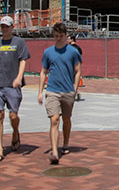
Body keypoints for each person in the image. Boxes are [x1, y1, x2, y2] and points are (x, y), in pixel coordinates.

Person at [0, 15, 31, 162]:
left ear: (12, 27)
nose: (4, 29)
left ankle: (15, 132)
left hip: (12, 84)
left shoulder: (19, 42)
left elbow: (23, 60)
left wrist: (19, 78)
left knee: (13, 115)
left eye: (7, 26)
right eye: (2, 26)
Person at [38, 22, 82, 165]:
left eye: (61, 36)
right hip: (52, 90)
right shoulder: (48, 52)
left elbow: (78, 71)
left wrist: (75, 89)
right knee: (54, 119)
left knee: (67, 120)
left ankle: (66, 143)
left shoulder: (73, 52)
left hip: (68, 91)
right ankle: (55, 151)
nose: (58, 38)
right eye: (56, 36)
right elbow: (43, 71)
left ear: (65, 36)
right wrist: (40, 92)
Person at [68, 34, 83, 101]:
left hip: (70, 66)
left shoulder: (69, 48)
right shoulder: (79, 48)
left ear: (72, 39)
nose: (67, 40)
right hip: (77, 66)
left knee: (69, 81)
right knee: (74, 81)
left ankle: (73, 94)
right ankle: (76, 92)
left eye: (68, 39)